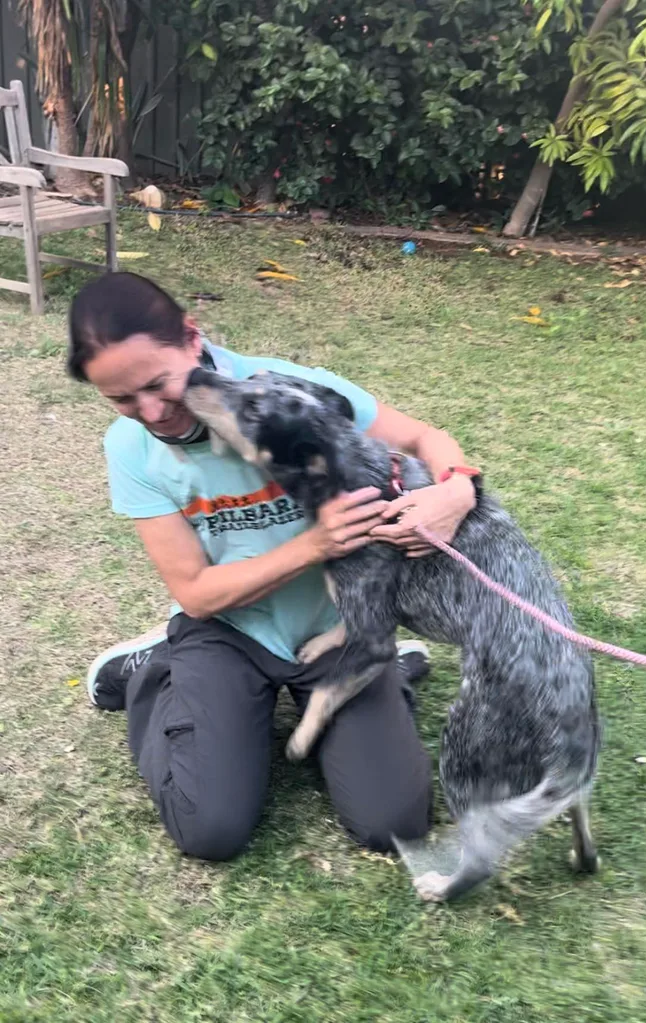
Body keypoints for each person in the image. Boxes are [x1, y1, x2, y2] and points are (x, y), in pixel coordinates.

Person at [68, 272, 478, 862]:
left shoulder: (290, 391)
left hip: (336, 628)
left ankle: (385, 671)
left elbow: (421, 436)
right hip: (229, 629)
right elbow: (197, 594)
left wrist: (457, 489)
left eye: (158, 384)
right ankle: (152, 675)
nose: (152, 411)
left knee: (394, 824)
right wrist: (316, 545)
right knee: (209, 829)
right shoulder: (131, 451)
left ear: (190, 338)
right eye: (122, 399)